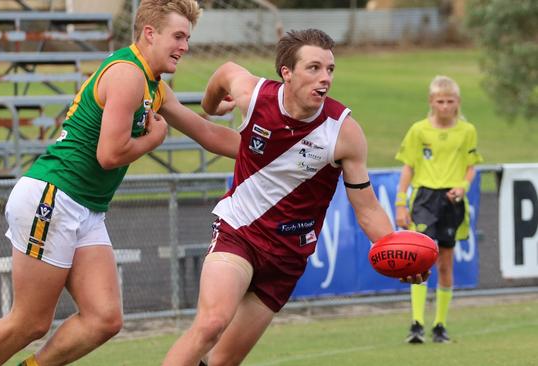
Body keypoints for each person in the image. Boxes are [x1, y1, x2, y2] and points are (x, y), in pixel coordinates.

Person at [0, 1, 240, 365]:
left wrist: (276, 151)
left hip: (85, 206)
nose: (185, 46)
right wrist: (153, 140)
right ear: (149, 33)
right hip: (53, 197)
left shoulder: (153, 85)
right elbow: (109, 154)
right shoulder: (127, 74)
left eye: (187, 37)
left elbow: (205, 131)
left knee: (104, 319)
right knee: (29, 322)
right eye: (178, 36)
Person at [161, 29, 429, 366]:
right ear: (287, 73)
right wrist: (210, 106)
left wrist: (395, 248)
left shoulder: (343, 132)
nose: (325, 78)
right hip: (239, 233)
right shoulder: (256, 96)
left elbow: (367, 207)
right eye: (313, 68)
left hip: (287, 259)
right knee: (212, 323)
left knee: (221, 362)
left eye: (330, 69)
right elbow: (226, 72)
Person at [395, 75, 483, 344]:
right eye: (440, 101)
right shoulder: (418, 130)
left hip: (451, 200)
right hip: (424, 198)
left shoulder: (467, 131)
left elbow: (471, 166)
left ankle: (440, 325)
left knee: (445, 262)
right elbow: (408, 166)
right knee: (420, 259)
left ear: (458, 103)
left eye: (450, 101)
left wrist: (463, 187)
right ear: (431, 102)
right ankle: (417, 323)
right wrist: (400, 202)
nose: (445, 106)